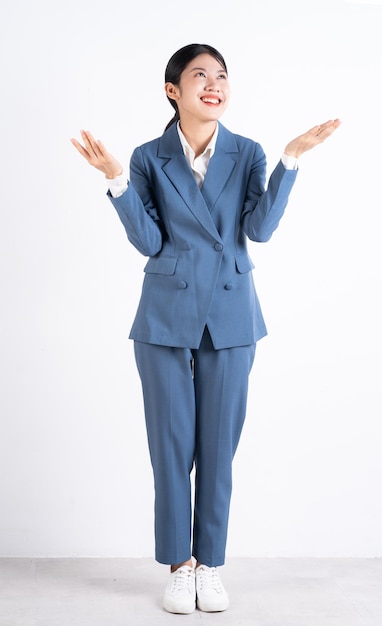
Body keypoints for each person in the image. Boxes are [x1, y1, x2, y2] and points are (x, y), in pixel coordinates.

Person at [71, 43, 340, 615]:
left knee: (218, 450)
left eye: (221, 76)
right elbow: (147, 241)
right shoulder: (148, 157)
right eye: (200, 76)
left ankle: (211, 564)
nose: (214, 85)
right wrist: (116, 178)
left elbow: (259, 230)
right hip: (166, 315)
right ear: (173, 91)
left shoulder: (248, 152)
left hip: (231, 313)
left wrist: (291, 160)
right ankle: (180, 564)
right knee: (170, 449)